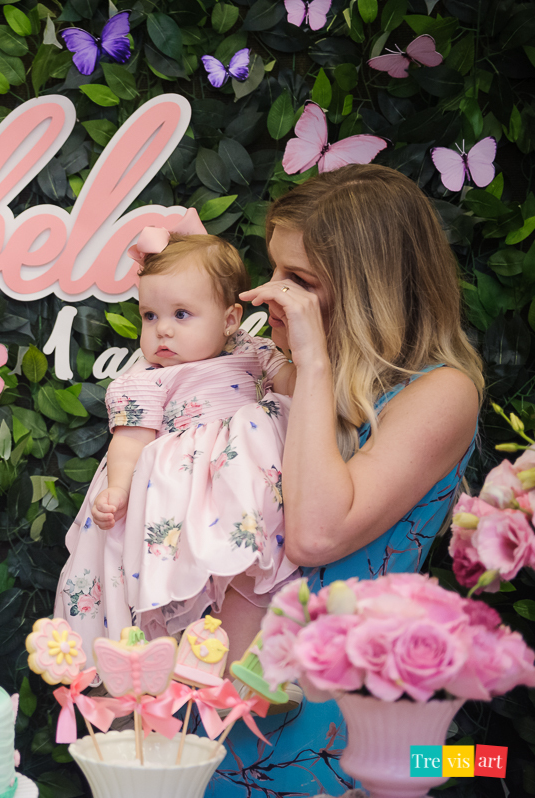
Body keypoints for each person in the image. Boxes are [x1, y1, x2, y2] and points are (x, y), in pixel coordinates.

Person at [203, 164, 482, 796]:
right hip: (220, 701)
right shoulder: (275, 367)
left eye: (300, 282)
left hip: (333, 728)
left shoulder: (442, 392)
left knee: (482, 763)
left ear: (367, 290)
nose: (271, 295)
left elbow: (316, 535)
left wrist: (313, 362)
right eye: (273, 271)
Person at [55, 230, 297, 664]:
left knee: (237, 576)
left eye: (181, 314)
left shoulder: (255, 351)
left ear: (229, 320)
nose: (162, 329)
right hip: (173, 501)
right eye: (150, 316)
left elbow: (298, 387)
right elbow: (130, 440)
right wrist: (117, 490)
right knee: (172, 578)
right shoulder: (148, 378)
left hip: (233, 491)